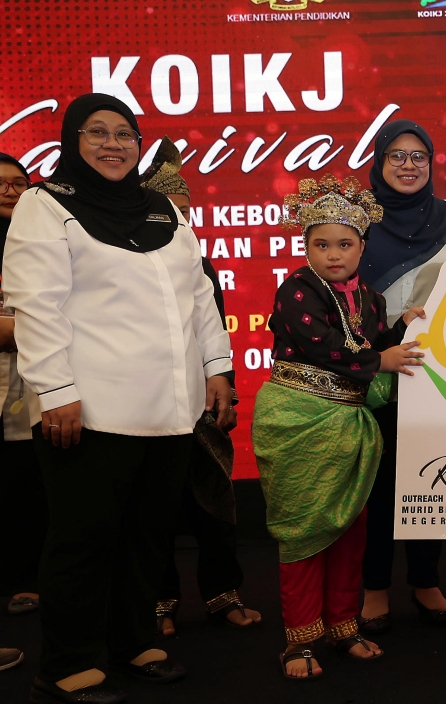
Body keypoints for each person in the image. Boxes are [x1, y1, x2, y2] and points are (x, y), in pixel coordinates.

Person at [3, 93, 234, 704]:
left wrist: (217, 368)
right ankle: (66, 662)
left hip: (171, 408)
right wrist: (54, 392)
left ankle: (132, 641)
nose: (113, 143)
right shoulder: (44, 205)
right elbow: (37, 305)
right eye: (96, 132)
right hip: (88, 411)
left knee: (147, 537)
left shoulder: (162, 208)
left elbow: (200, 296)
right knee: (84, 540)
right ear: (71, 141)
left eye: (125, 134)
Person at [252, 174, 425, 678]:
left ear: (362, 245)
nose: (333, 254)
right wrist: (382, 358)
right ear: (305, 246)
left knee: (351, 528)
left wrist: (403, 324)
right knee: (306, 531)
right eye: (321, 244)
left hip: (348, 426)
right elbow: (326, 348)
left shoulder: (370, 299)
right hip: (298, 422)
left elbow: (369, 339)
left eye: (344, 244)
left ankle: (344, 626)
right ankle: (299, 641)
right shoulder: (296, 292)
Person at [138, 138, 262, 637]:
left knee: (215, 505)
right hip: (142, 406)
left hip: (200, 405)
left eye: (186, 212)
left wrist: (226, 391)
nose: (179, 221)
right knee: (153, 511)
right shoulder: (121, 263)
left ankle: (222, 594)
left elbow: (216, 333)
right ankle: (160, 601)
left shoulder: (200, 265)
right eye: (169, 211)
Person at [357, 120, 446, 635]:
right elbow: (336, 288)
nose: (409, 165)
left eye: (418, 156)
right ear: (379, 162)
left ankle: (426, 581)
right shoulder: (358, 220)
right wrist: (383, 337)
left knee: (433, 479)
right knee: (379, 487)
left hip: (435, 372)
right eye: (397, 156)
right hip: (375, 369)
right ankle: (375, 586)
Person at [0, 153, 46, 618]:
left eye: (18, 183)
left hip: (36, 388)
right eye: (0, 184)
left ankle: (29, 579)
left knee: (29, 485)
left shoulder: (42, 242)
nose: (9, 191)